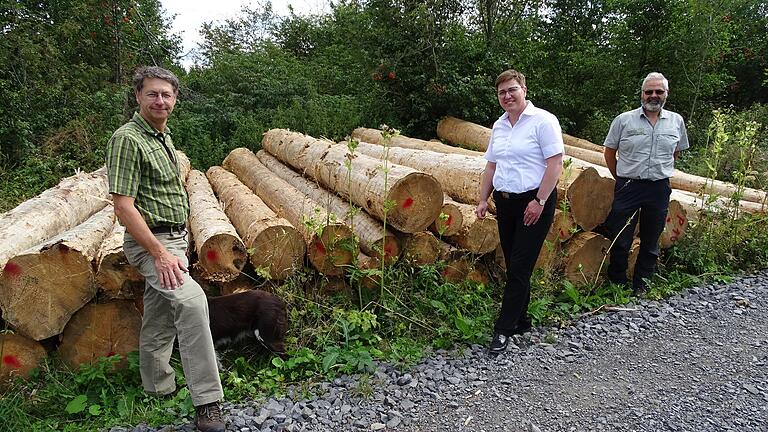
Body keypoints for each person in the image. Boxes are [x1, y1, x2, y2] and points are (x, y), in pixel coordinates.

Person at [106, 66, 225, 432]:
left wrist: (181, 242)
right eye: (153, 94)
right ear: (138, 97)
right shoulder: (128, 139)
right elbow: (123, 205)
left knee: (159, 315)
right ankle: (208, 401)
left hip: (175, 239)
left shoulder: (163, 137)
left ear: (175, 100)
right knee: (191, 303)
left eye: (167, 95)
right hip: (153, 243)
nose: (161, 100)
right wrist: (159, 253)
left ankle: (157, 385)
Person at [476, 69, 564, 356]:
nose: (507, 96)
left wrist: (539, 201)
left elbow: (554, 164)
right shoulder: (499, 126)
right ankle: (522, 319)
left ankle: (503, 329)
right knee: (514, 261)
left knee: (520, 265)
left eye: (512, 89)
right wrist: (482, 199)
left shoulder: (543, 121)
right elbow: (492, 166)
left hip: (535, 200)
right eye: (502, 92)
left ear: (524, 89)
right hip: (506, 202)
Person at [602, 72, 689, 296]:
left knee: (651, 238)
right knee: (621, 237)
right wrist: (620, 177)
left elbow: (675, 152)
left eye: (658, 92)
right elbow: (610, 152)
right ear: (642, 93)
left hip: (658, 188)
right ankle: (617, 283)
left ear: (666, 95)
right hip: (628, 186)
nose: (653, 95)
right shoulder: (624, 120)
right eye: (648, 91)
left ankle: (642, 284)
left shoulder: (676, 121)